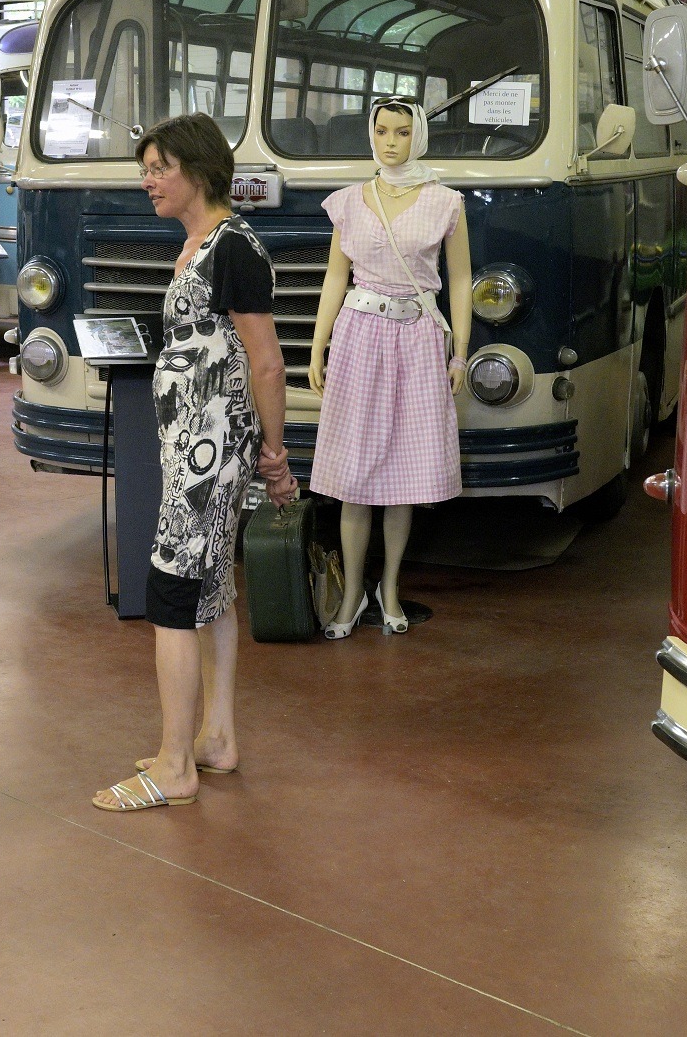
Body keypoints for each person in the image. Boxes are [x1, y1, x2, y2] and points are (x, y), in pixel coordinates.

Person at [93, 114, 296, 814]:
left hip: (210, 457)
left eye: (160, 169)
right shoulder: (199, 246)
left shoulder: (233, 247)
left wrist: (276, 457)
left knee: (174, 593)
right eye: (145, 169)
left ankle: (176, 765)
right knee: (210, 590)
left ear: (200, 171)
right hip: (193, 449)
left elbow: (267, 364)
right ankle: (217, 738)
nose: (148, 181)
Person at [306, 98, 472, 636]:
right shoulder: (350, 201)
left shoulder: (445, 203)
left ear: (417, 137)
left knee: (405, 474)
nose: (390, 142)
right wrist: (318, 344)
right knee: (354, 477)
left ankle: (391, 587)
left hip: (417, 337)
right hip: (359, 336)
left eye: (402, 132)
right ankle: (354, 592)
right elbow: (336, 276)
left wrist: (460, 352)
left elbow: (461, 281)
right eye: (381, 131)